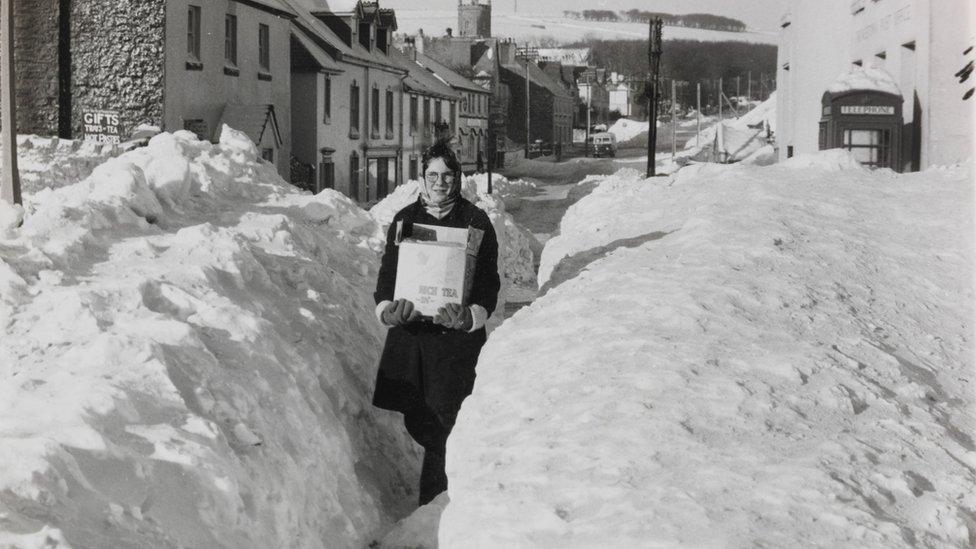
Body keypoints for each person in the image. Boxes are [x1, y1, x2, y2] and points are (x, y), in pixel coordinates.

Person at [371, 140, 500, 506]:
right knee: (420, 418)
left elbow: (489, 281)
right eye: (433, 175)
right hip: (413, 340)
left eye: (447, 175)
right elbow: (388, 276)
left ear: (457, 178)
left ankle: (437, 507)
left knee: (448, 425)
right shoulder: (405, 220)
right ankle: (436, 505)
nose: (440, 183)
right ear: (421, 179)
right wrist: (386, 309)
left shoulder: (475, 221)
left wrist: (471, 315)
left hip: (453, 343)